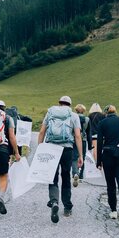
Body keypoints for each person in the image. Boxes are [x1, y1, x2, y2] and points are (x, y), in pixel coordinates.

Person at [38, 95, 84, 223]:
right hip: (67, 150)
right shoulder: (73, 115)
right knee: (65, 177)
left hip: (51, 147)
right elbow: (78, 136)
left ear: (59, 103)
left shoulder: (50, 113)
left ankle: (54, 202)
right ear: (69, 104)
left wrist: (40, 149)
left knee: (52, 177)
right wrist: (80, 155)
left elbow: (42, 132)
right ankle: (67, 207)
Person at [96, 104, 119, 227]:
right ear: (115, 112)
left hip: (107, 156)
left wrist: (99, 161)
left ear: (106, 113)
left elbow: (100, 142)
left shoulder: (102, 123)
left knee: (111, 184)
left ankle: (113, 210)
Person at [71, 104, 91, 185]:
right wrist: (90, 145)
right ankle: (81, 176)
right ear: (84, 110)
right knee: (82, 157)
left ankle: (75, 173)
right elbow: (89, 133)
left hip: (74, 139)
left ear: (76, 110)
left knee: (74, 158)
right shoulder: (87, 119)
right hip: (83, 140)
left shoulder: (73, 117)